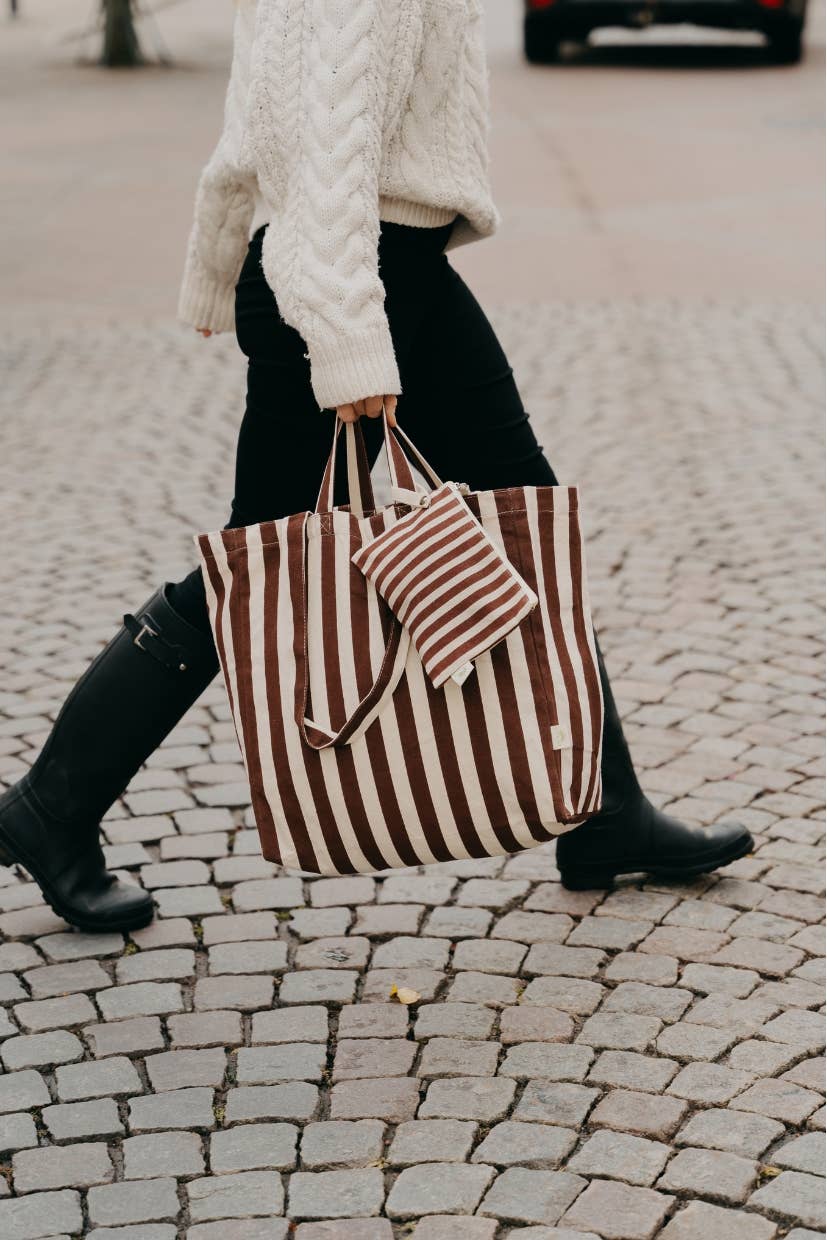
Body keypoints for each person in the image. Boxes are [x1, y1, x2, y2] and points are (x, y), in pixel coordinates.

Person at [0, 0, 752, 932]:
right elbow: (320, 135)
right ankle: (51, 807)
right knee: (260, 568)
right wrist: (347, 334)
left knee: (516, 516)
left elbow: (262, 111)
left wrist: (226, 250)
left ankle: (606, 811)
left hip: (388, 271)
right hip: (363, 273)